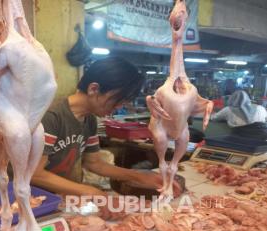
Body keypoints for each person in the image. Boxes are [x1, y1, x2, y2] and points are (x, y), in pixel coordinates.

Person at [31, 57, 182, 218]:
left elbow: (94, 163)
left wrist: (139, 176)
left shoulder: (89, 119)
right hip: (29, 200)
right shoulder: (52, 117)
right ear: (94, 89)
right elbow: (35, 174)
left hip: (55, 199)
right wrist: (91, 191)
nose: (118, 108)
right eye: (117, 101)